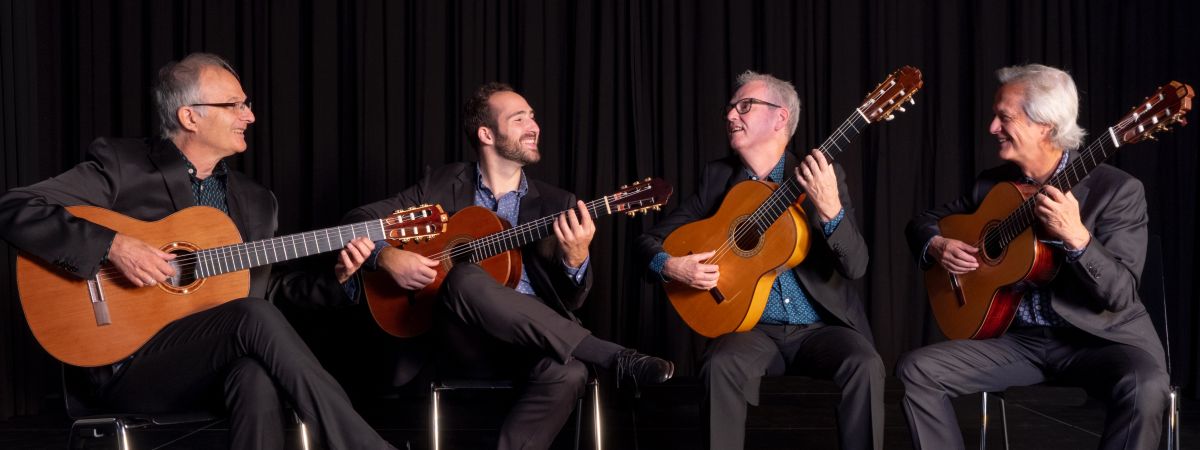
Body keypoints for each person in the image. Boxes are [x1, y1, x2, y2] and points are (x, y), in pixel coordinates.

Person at [0, 52, 395, 450]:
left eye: (247, 104)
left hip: (207, 367)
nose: (250, 116)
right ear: (190, 117)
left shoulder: (257, 202)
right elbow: (13, 207)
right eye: (234, 105)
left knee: (254, 373)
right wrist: (113, 246)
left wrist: (338, 280)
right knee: (252, 318)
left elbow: (264, 295)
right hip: (124, 366)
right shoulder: (123, 167)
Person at [339, 82, 674, 450]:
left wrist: (577, 258)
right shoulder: (439, 184)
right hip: (457, 340)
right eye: (519, 119)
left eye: (532, 117)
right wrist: (386, 256)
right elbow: (358, 220)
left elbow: (573, 303)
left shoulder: (558, 203)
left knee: (570, 372)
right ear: (486, 133)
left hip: (532, 342)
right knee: (466, 275)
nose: (534, 126)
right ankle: (615, 357)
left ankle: (598, 358)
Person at [899, 64, 1168, 450]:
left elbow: (1120, 296)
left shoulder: (1118, 191)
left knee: (1146, 385)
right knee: (916, 370)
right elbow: (924, 223)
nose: (992, 127)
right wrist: (937, 245)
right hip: (1018, 343)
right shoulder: (992, 185)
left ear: (1045, 126)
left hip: (1099, 342)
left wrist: (1078, 238)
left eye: (1004, 117)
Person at [636, 71, 884, 450]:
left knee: (866, 365)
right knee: (718, 367)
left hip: (820, 327)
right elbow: (648, 241)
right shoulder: (718, 179)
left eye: (744, 106)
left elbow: (856, 266)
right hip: (752, 329)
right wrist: (671, 266)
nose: (731, 115)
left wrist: (831, 209)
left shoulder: (822, 176)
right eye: (731, 108)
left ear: (780, 117)